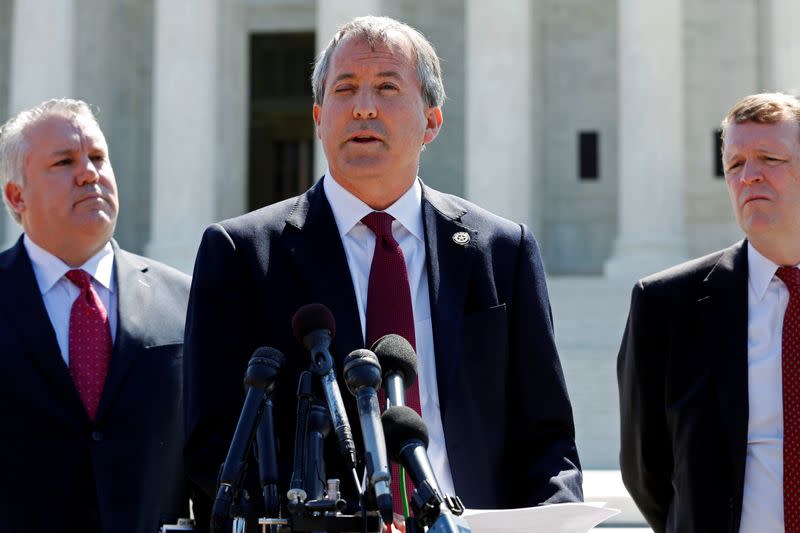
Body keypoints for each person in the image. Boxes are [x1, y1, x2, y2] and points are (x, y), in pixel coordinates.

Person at [184, 15, 582, 530]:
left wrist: (553, 517)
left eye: (387, 87)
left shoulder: (501, 251)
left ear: (431, 122)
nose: (363, 106)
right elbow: (213, 444)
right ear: (319, 117)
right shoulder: (241, 254)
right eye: (344, 89)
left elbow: (548, 437)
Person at [0, 99, 191, 533]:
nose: (90, 173)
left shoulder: (182, 300)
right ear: (17, 195)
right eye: (65, 161)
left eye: (98, 158)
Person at [618, 92, 800, 533]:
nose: (749, 176)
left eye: (768, 158)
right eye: (735, 165)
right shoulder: (666, 305)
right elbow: (647, 470)